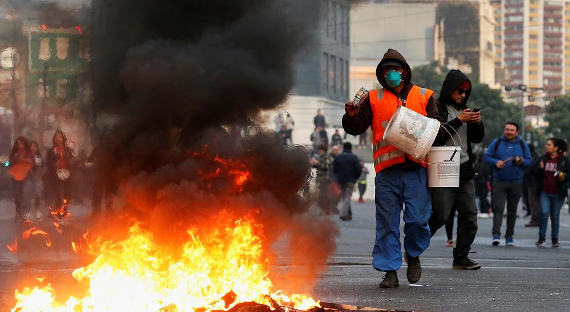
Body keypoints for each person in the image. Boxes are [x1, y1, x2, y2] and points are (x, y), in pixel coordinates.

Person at [343, 48, 440, 287]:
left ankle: (414, 255)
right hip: (387, 172)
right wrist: (351, 116)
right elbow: (355, 128)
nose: (390, 74)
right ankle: (389, 270)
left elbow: (439, 130)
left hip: (417, 169)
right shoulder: (373, 99)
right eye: (386, 71)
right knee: (386, 222)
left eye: (394, 70)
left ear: (404, 72)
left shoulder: (425, 96)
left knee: (417, 220)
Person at [428, 70, 484, 270]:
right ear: (449, 89)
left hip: (464, 168)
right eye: (459, 91)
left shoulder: (466, 110)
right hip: (442, 165)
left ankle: (461, 258)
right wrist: (460, 120)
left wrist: (477, 123)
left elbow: (476, 139)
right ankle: (414, 247)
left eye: (466, 92)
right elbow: (436, 136)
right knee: (441, 215)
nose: (462, 95)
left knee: (470, 214)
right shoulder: (437, 108)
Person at [483, 122, 532, 246]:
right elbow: (486, 157)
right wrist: (496, 162)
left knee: (512, 210)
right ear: (504, 130)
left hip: (516, 182)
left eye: (512, 130)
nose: (509, 131)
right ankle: (496, 235)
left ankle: (509, 236)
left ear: (517, 132)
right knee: (498, 209)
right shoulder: (497, 142)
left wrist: (521, 161)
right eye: (507, 129)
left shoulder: (522, 144)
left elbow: (530, 161)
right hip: (499, 181)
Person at [534, 138, 569, 247]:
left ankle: (555, 239)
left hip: (558, 193)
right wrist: (539, 169)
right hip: (544, 191)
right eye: (546, 144)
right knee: (544, 213)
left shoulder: (564, 160)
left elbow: (568, 174)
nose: (546, 146)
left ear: (556, 148)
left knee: (555, 216)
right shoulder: (543, 158)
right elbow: (534, 173)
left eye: (549, 145)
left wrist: (563, 176)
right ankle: (541, 238)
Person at [45, 130, 75, 216]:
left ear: (63, 138)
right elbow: (48, 163)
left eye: (59, 136)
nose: (58, 138)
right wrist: (55, 165)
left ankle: (64, 211)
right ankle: (58, 212)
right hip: (55, 175)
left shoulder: (68, 150)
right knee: (58, 194)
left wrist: (69, 162)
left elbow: (74, 160)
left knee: (67, 195)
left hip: (67, 174)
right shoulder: (51, 151)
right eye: (56, 136)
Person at [333, 142, 362, 221]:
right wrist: (355, 178)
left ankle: (349, 214)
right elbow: (359, 169)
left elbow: (334, 169)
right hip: (350, 180)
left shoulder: (338, 157)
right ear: (351, 148)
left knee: (344, 197)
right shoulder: (354, 157)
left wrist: (337, 178)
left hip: (341, 180)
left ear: (343, 148)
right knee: (347, 197)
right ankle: (343, 213)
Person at [8, 137, 33, 221]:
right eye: (18, 144)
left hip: (26, 176)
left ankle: (25, 212)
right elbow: (7, 163)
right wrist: (12, 160)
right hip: (15, 177)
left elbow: (34, 163)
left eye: (22, 144)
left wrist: (24, 159)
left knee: (26, 194)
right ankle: (18, 212)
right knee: (17, 196)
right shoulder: (14, 153)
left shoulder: (29, 152)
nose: (20, 146)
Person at [311, 144, 335, 214]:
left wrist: (317, 163)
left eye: (320, 150)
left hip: (325, 178)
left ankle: (326, 210)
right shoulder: (320, 156)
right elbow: (318, 167)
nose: (319, 151)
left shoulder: (328, 157)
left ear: (323, 150)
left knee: (325, 195)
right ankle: (324, 209)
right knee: (321, 194)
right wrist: (313, 164)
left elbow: (326, 166)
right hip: (320, 178)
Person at [26, 141, 44, 219]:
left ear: (37, 147)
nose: (33, 147)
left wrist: (40, 174)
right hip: (28, 178)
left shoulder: (39, 156)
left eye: (35, 146)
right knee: (28, 194)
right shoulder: (26, 156)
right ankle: (28, 211)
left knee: (38, 194)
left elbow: (43, 166)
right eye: (31, 146)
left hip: (37, 178)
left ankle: (37, 210)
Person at [523, 144, 540, 226]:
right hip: (533, 182)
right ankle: (536, 219)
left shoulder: (532, 158)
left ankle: (535, 220)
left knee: (533, 202)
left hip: (533, 182)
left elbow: (529, 170)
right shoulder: (535, 157)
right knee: (533, 202)